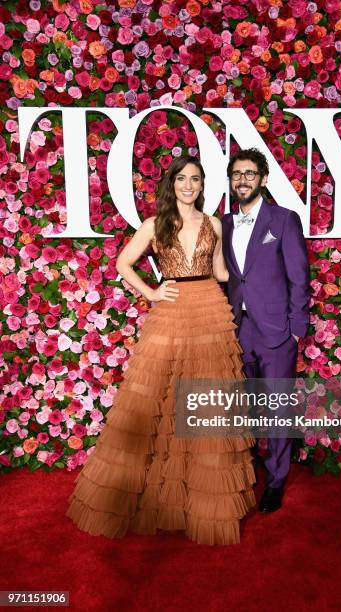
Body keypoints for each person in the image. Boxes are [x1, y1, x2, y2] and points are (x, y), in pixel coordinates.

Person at [66, 156, 256, 546]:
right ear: (172, 183)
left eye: (196, 179)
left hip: (209, 309)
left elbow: (221, 272)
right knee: (160, 400)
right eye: (183, 179)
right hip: (171, 308)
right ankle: (162, 497)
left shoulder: (214, 224)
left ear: (203, 185)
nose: (189, 185)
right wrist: (152, 291)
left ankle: (203, 501)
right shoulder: (154, 225)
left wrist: (261, 274)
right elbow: (122, 262)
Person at [221, 148, 310, 513]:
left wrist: (296, 331)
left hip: (276, 332)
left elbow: (299, 278)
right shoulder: (223, 223)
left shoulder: (283, 219)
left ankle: (275, 481)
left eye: (250, 173)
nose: (243, 180)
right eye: (237, 174)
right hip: (238, 329)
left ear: (264, 179)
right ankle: (250, 471)